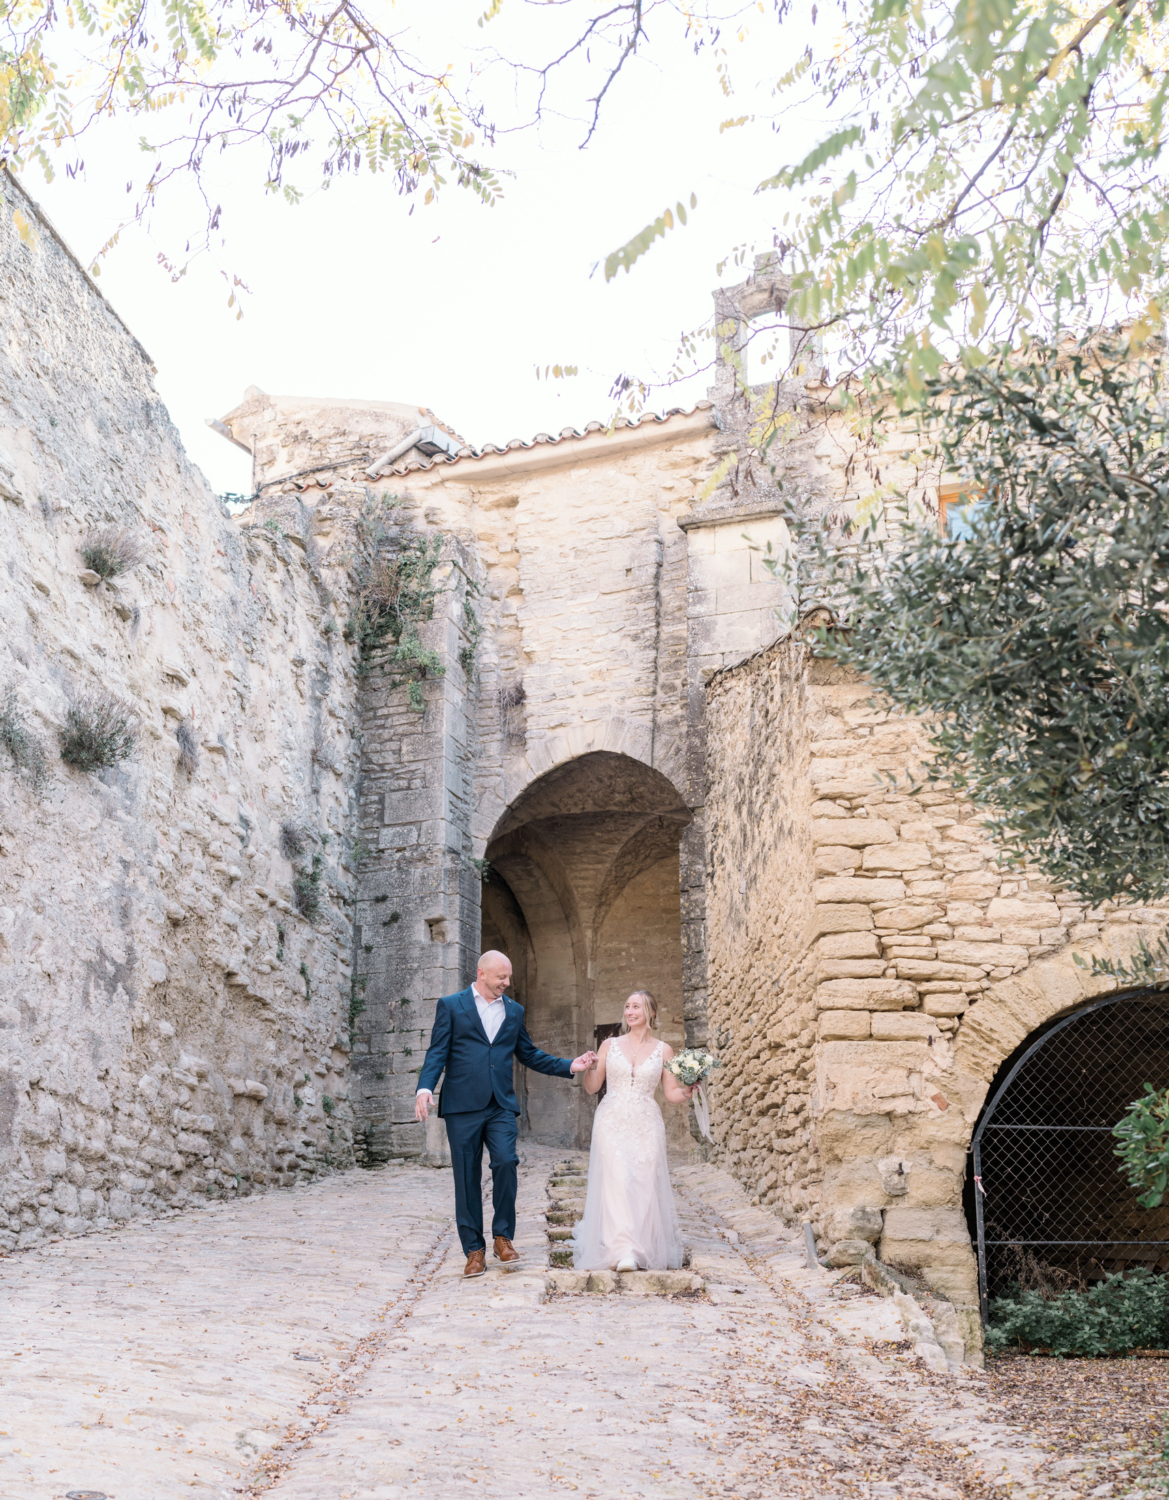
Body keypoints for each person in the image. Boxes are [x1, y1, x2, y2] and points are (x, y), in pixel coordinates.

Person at [415, 950, 596, 1279]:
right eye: (502, 977)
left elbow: (528, 1053)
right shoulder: (452, 1005)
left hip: (500, 1105)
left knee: (505, 1161)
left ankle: (503, 1237)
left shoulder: (514, 1011)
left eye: (508, 977)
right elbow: (437, 1050)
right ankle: (474, 1250)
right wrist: (425, 1088)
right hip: (462, 1106)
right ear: (482, 974)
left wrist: (570, 1065)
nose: (507, 983)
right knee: (466, 1177)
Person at [571, 989, 694, 1273]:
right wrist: (589, 1069)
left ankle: (641, 1247)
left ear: (650, 1012)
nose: (629, 1011)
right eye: (627, 1006)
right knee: (616, 1181)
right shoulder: (608, 1045)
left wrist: (687, 1091)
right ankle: (623, 1250)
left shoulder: (664, 1050)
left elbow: (671, 1092)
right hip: (611, 1118)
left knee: (643, 1182)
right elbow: (592, 1088)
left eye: (636, 1006)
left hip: (646, 1121)